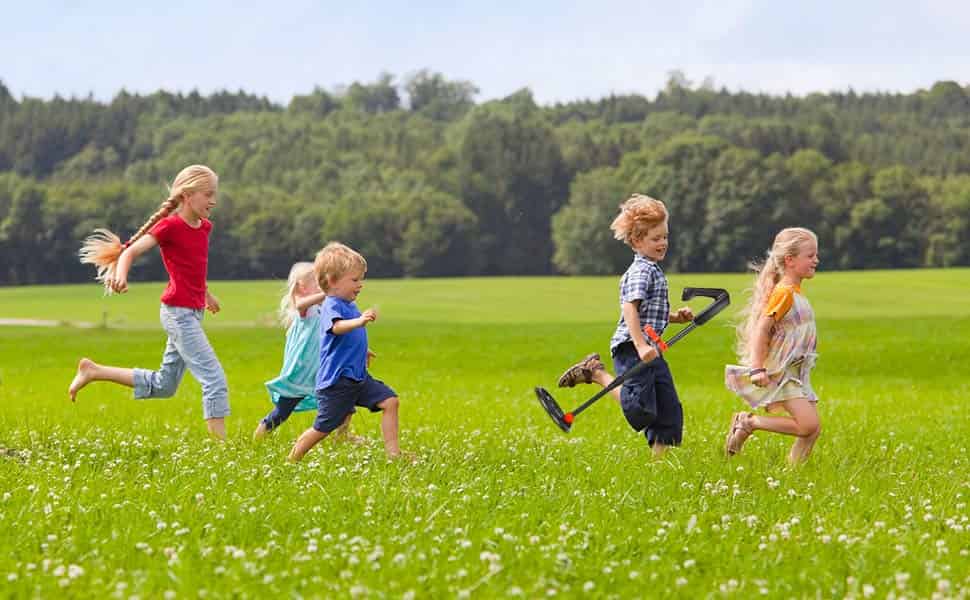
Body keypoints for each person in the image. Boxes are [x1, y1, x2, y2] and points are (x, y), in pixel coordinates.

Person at [68, 165, 230, 439]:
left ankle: (93, 371)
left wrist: (205, 293)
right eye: (208, 194)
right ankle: (222, 451)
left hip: (192, 312)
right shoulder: (170, 226)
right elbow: (129, 251)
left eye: (215, 194)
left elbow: (191, 267)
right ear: (188, 195)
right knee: (214, 379)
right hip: (178, 314)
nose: (213, 200)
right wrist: (120, 276)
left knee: (165, 385)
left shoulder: (204, 227)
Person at [557, 194, 693, 457]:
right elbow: (630, 309)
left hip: (651, 349)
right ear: (637, 241)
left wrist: (676, 317)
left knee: (669, 409)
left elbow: (650, 313)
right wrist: (640, 345)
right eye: (656, 238)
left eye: (665, 237)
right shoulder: (641, 271)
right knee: (641, 409)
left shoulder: (653, 269)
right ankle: (596, 373)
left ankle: (660, 466)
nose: (663, 243)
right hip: (632, 347)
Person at [287, 242, 406, 462]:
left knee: (390, 401)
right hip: (336, 383)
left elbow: (347, 337)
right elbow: (336, 327)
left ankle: (394, 454)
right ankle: (292, 458)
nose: (360, 285)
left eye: (361, 279)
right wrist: (360, 321)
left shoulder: (349, 303)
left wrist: (363, 350)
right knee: (323, 428)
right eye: (354, 280)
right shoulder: (332, 304)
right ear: (332, 281)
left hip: (357, 377)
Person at [723, 227, 821, 464]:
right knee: (808, 425)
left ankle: (793, 476)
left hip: (795, 372)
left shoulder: (795, 292)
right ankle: (749, 422)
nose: (816, 260)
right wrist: (757, 367)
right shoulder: (784, 293)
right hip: (782, 372)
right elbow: (761, 329)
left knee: (812, 430)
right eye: (810, 256)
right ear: (790, 260)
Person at [253, 262, 363, 441]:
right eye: (317, 282)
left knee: (344, 397)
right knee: (283, 411)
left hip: (323, 367)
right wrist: (325, 294)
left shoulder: (323, 308)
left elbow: (336, 331)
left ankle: (342, 435)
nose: (322, 285)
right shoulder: (306, 309)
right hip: (302, 371)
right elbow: (300, 304)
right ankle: (259, 437)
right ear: (301, 286)